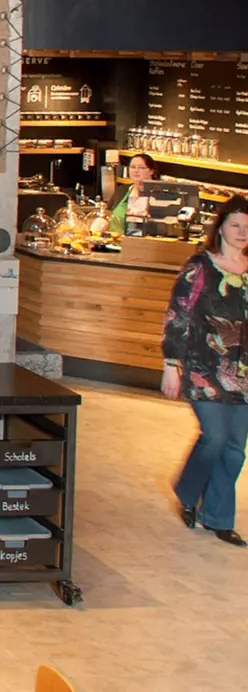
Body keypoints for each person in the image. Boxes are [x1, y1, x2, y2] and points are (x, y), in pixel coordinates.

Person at [163, 194, 248, 547]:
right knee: (214, 437)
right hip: (204, 367)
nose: (242, 232)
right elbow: (178, 316)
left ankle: (217, 518)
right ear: (221, 228)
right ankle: (188, 491)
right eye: (235, 225)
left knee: (235, 448)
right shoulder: (200, 267)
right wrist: (171, 365)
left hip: (244, 371)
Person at [109, 152, 157, 235]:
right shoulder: (122, 190)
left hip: (137, 241)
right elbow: (107, 213)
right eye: (132, 167)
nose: (136, 171)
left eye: (141, 168)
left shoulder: (157, 195)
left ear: (151, 171)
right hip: (114, 239)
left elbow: (135, 230)